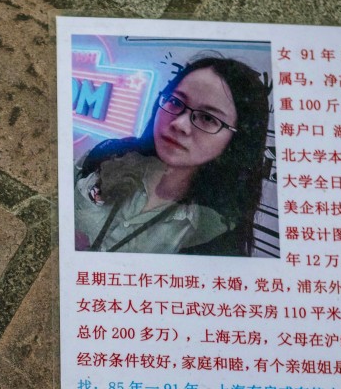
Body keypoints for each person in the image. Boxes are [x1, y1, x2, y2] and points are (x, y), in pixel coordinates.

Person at [74, 56, 270, 257]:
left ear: (237, 140)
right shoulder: (109, 155)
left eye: (208, 118)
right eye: (175, 102)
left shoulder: (213, 231)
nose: (179, 124)